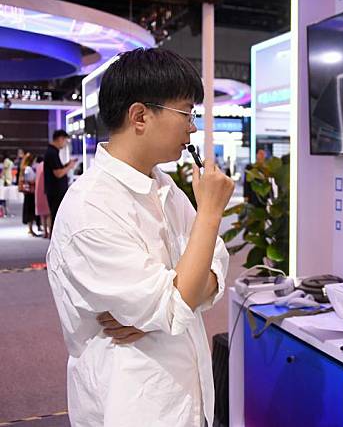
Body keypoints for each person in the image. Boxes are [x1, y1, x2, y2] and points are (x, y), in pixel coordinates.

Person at [46, 48, 235, 427]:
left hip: (182, 394)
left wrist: (165, 308)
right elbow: (173, 303)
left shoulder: (162, 186)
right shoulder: (91, 209)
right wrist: (210, 214)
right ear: (140, 116)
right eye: (186, 112)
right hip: (134, 406)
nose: (192, 127)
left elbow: (215, 260)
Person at [44, 130, 76, 225]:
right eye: (65, 140)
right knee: (56, 216)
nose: (65, 143)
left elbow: (57, 169)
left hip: (55, 191)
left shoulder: (53, 152)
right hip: (55, 191)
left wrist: (67, 165)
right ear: (60, 139)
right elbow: (58, 173)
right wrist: (69, 167)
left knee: (56, 215)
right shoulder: (52, 153)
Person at [18, 152, 38, 236]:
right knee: (30, 210)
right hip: (30, 192)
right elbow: (31, 179)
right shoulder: (28, 169)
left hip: (27, 192)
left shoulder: (24, 168)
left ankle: (30, 228)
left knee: (28, 209)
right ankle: (30, 229)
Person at [34, 156, 51, 238]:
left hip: (38, 191)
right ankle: (50, 232)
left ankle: (45, 232)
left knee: (42, 214)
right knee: (48, 213)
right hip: (46, 190)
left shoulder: (38, 167)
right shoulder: (47, 165)